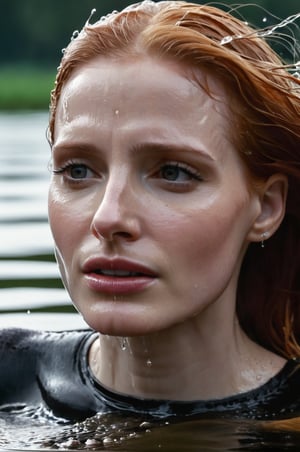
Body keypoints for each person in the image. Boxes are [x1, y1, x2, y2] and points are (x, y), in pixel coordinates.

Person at [1, 0, 300, 425]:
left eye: (173, 173)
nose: (108, 218)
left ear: (266, 207)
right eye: (79, 170)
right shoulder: (8, 377)